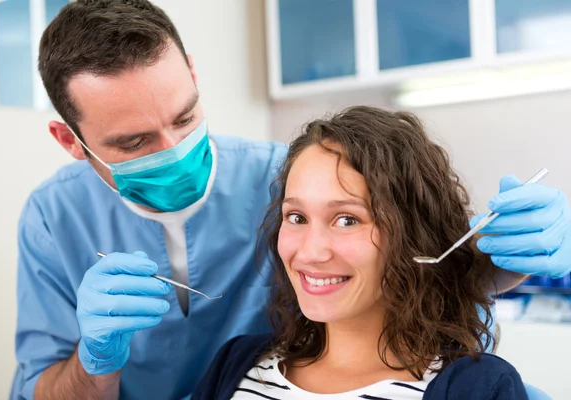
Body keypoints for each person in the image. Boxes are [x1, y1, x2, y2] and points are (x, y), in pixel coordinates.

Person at [10, 1, 571, 399]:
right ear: (72, 142)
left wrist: (503, 260)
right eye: (134, 143)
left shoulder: (287, 173)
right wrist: (95, 360)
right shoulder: (53, 220)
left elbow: (418, 264)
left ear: (195, 80)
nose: (174, 150)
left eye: (185, 118)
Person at [193, 106, 529, 400]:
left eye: (347, 219)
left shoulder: (476, 388)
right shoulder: (234, 364)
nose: (310, 251)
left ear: (413, 233)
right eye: (297, 217)